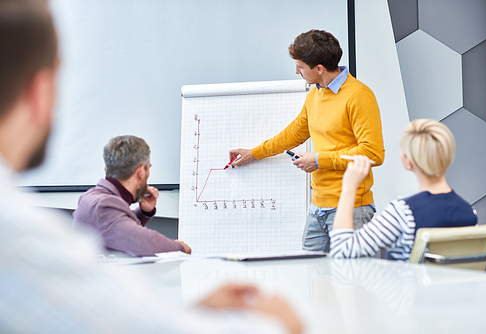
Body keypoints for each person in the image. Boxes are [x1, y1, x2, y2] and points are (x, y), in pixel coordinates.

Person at [0, 1, 302, 333]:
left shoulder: (99, 199)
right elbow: (137, 251)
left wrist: (144, 217)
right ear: (40, 93)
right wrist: (272, 324)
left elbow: (114, 251)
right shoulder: (27, 224)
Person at [229, 29, 385, 252]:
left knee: (354, 282)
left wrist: (320, 160)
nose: (296, 71)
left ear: (319, 68)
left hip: (352, 210)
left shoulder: (359, 96)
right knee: (312, 281)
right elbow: (293, 134)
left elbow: (372, 153)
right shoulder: (315, 94)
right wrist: (254, 153)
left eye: (300, 67)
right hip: (318, 209)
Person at [329, 119, 477, 260]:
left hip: (410, 287)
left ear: (409, 162)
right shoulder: (469, 211)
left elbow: (340, 252)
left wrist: (349, 187)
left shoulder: (402, 213)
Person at [73, 135, 191, 257]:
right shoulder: (103, 206)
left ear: (106, 169)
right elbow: (145, 242)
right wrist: (180, 248)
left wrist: (144, 212)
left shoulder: (92, 197)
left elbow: (118, 231)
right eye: (148, 168)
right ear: (141, 172)